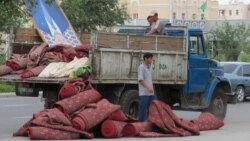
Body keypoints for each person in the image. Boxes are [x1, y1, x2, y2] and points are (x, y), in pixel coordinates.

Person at [137, 52, 156, 122]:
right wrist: (148, 87)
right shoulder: (141, 67)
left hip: (151, 93)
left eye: (152, 58)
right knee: (143, 109)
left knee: (153, 108)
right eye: (150, 58)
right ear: (146, 58)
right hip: (144, 93)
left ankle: (150, 123)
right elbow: (141, 80)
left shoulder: (149, 67)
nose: (151, 60)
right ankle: (140, 124)